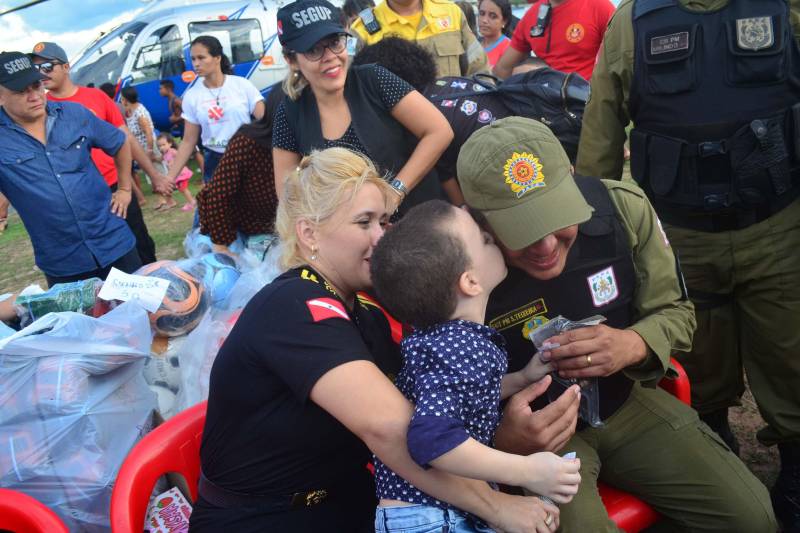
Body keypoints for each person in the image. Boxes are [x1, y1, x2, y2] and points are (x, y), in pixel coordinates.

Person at [190, 147, 561, 532]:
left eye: (384, 221)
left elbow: (428, 406)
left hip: (346, 504)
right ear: (309, 233)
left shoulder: (366, 314)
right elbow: (391, 430)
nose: (381, 237)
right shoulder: (292, 304)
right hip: (261, 520)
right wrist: (498, 505)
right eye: (364, 222)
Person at [456, 116, 777, 531]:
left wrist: (633, 344)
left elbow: (677, 312)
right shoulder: (448, 263)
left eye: (555, 218)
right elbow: (423, 401)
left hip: (625, 402)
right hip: (533, 440)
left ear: (570, 181)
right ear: (477, 221)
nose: (546, 247)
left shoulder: (621, 208)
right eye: (521, 230)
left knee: (752, 518)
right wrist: (500, 442)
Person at [574, 0, 800, 528]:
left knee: (792, 355)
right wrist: (592, 231)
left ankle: (794, 472)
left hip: (778, 226)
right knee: (694, 357)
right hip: (679, 236)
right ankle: (714, 453)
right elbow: (601, 131)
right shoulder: (634, 22)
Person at [369, 199, 580, 532]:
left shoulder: (443, 338)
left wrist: (524, 377)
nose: (492, 237)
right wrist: (529, 471)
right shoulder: (464, 346)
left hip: (423, 514)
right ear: (470, 282)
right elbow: (431, 438)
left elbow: (465, 397)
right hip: (433, 519)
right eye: (483, 239)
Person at [272, 0, 453, 214]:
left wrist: (395, 192)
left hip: (416, 220)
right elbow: (288, 194)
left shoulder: (375, 80)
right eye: (313, 50)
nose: (330, 57)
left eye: (335, 42)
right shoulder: (290, 112)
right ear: (291, 60)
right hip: (351, 240)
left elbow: (439, 131)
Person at [352, 38, 581, 206]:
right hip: (545, 157)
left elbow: (459, 202)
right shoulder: (448, 83)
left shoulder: (420, 123)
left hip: (520, 181)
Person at [0, 52, 140, 286]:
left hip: (113, 242)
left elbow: (119, 142)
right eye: (21, 91)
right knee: (81, 322)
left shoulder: (74, 114)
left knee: (142, 315)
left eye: (36, 86)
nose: (34, 96)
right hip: (63, 262)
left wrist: (125, 189)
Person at [30, 41, 163, 265]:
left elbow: (125, 139)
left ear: (66, 66)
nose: (41, 74)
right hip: (80, 197)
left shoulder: (96, 97)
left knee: (140, 246)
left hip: (115, 187)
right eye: (36, 70)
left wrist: (155, 175)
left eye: (47, 66)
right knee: (100, 259)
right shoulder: (39, 109)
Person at [163, 35, 265, 191]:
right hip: (215, 161)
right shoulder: (192, 96)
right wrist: (170, 177)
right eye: (193, 59)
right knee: (214, 213)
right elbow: (189, 141)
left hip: (248, 158)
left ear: (217, 58)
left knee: (255, 211)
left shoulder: (241, 85)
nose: (196, 64)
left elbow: (266, 120)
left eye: (201, 58)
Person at [197, 84, 284, 254]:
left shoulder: (307, 143)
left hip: (281, 230)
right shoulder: (247, 142)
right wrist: (222, 246)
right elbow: (218, 193)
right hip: (241, 231)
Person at [350, 0, 489, 78]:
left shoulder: (452, 13)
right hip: (394, 128)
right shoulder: (361, 31)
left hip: (455, 121)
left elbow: (480, 72)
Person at [493, 0, 615, 80]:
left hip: (585, 103)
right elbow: (502, 68)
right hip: (541, 102)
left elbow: (621, 61)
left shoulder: (599, 7)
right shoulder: (532, 14)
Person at [120, 86, 160, 208]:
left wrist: (149, 150)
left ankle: (165, 199)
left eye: (122, 99)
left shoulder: (139, 112)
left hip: (147, 146)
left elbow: (148, 132)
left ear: (126, 99)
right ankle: (162, 199)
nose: (121, 101)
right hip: (141, 148)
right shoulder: (131, 111)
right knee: (152, 173)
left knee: (156, 172)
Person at [159, 78, 206, 174]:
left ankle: (205, 178)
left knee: (196, 152)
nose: (159, 91)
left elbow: (190, 113)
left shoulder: (176, 100)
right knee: (194, 152)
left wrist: (175, 119)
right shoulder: (170, 100)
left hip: (189, 128)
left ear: (168, 89)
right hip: (182, 128)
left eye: (161, 89)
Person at [156, 133, 195, 212]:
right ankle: (191, 201)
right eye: (159, 146)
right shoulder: (164, 154)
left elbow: (181, 156)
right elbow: (159, 160)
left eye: (163, 145)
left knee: (183, 189)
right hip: (177, 175)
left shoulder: (172, 151)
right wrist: (151, 157)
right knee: (182, 189)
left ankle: (192, 202)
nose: (161, 147)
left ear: (170, 144)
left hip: (181, 173)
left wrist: (174, 162)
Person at [478, 0, 512, 67]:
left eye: (493, 16)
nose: (484, 20)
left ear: (504, 21)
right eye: (482, 14)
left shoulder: (509, 49)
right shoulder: (473, 45)